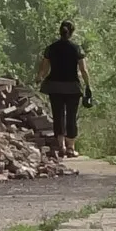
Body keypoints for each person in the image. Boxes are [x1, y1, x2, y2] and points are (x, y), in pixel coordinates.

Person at [37, 21, 90, 158]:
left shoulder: (51, 48)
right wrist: (88, 86)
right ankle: (71, 148)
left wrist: (39, 77)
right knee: (71, 116)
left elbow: (44, 68)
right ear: (72, 32)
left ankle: (61, 147)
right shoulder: (76, 48)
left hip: (54, 86)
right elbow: (83, 70)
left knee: (58, 116)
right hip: (72, 87)